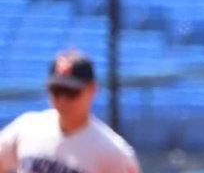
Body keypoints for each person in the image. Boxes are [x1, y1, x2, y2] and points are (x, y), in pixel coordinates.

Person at [0, 49, 141, 173]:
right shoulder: (27, 127)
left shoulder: (112, 152)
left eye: (70, 91)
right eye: (57, 91)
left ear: (91, 89)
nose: (62, 99)